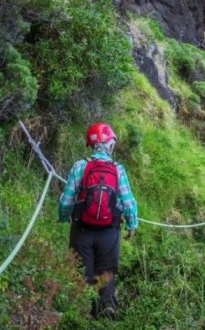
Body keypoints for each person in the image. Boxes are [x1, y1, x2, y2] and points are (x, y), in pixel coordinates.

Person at [58, 122, 138, 318]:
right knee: (107, 273)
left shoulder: (80, 166)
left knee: (82, 274)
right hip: (109, 232)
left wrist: (63, 217)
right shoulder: (118, 169)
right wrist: (132, 224)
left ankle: (83, 315)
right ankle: (107, 312)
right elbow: (128, 202)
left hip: (81, 230)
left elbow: (66, 200)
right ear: (108, 144)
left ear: (92, 145)